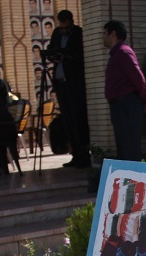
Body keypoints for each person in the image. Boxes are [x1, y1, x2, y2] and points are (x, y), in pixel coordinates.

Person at [48, 9, 91, 167]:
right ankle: (75, 154)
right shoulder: (57, 34)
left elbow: (79, 55)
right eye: (62, 27)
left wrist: (66, 55)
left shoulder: (78, 33)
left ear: (71, 22)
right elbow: (52, 50)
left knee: (78, 119)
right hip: (61, 84)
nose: (64, 31)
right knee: (67, 120)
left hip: (74, 84)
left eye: (66, 27)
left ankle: (84, 155)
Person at [102, 20, 146, 161]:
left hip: (127, 105)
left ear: (113, 34)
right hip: (119, 106)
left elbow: (138, 78)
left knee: (130, 148)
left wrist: (144, 99)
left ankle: (134, 175)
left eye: (105, 33)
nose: (103, 37)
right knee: (123, 148)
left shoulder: (123, 52)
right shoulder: (116, 54)